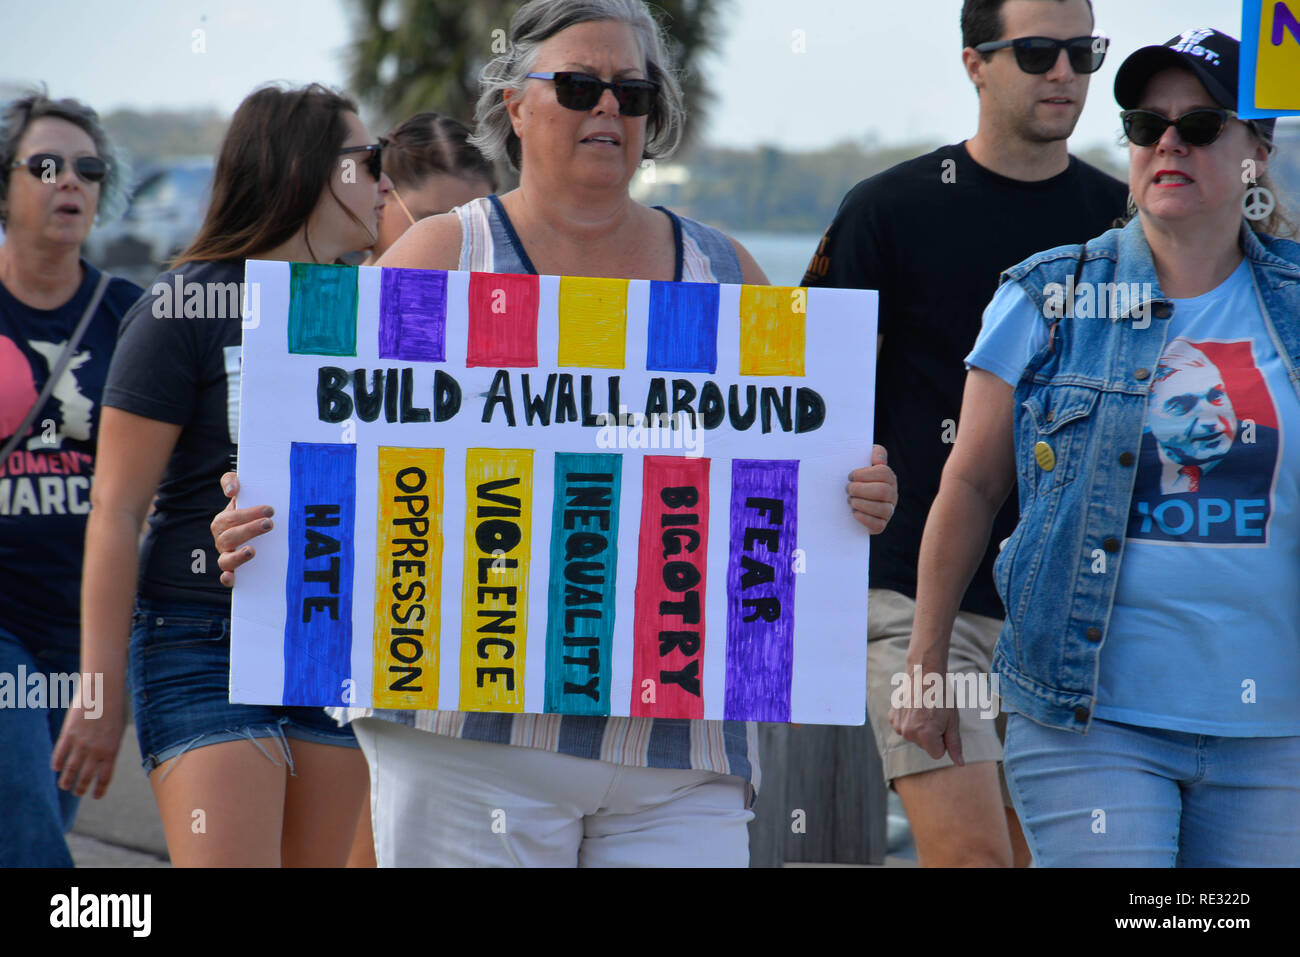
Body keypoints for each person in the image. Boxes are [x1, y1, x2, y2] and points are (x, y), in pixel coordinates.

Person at [213, 0, 899, 867]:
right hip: (466, 739)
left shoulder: (726, 273)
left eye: (632, 91)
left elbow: (787, 479)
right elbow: (330, 447)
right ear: (515, 106)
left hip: (683, 756)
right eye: (578, 86)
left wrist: (853, 495)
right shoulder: (439, 258)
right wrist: (259, 508)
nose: (608, 108)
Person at [906, 27, 1300, 866]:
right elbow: (969, 489)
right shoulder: (1048, 296)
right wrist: (927, 665)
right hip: (1089, 716)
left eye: (1200, 127)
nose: (1168, 143)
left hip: (1277, 730)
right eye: (1144, 124)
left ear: (1256, 151)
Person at [802, 0, 1126, 866]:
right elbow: (800, 390)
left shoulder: (1124, 224)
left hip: (1070, 612)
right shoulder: (887, 208)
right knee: (972, 857)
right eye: (1037, 52)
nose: (1065, 72)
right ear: (974, 63)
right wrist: (843, 483)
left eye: (1082, 52)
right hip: (908, 596)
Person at [52, 83, 393, 866]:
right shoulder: (185, 305)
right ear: (307, 170)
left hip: (329, 645)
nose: (384, 180)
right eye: (368, 160)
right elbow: (114, 508)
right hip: (199, 637)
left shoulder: (373, 311)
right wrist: (99, 692)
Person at [348, 110, 497, 867]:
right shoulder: (323, 316)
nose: (460, 245)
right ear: (383, 196)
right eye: (439, 220)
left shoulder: (509, 335)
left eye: (476, 223)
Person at [0, 91, 142, 867]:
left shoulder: (129, 314)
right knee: (32, 849)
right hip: (1, 621)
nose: (71, 183)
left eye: (89, 169)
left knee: (30, 827)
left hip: (82, 628)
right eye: (47, 166)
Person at [368, 112, 497, 262]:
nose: (459, 245)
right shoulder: (342, 283)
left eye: (475, 226)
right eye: (432, 221)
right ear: (382, 194)